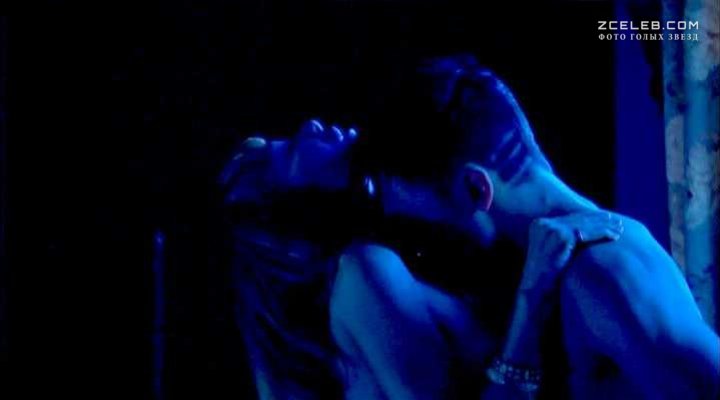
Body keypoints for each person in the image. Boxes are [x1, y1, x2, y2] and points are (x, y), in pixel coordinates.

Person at [222, 55, 720, 399]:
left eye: (428, 220)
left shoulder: (599, 270)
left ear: (475, 190)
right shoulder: (365, 274)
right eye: (288, 152)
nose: (309, 125)